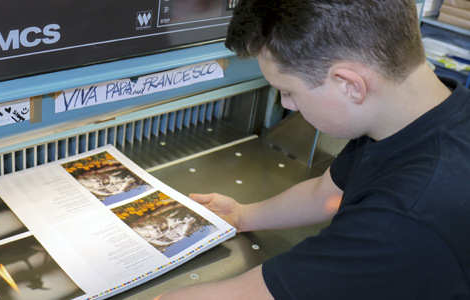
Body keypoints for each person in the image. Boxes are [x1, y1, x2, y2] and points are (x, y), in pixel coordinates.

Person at [156, 0, 470, 299]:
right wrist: (241, 215)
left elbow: (255, 295)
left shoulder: (406, 215)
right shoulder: (412, 118)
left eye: (287, 91)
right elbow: (326, 195)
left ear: (350, 85)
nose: (285, 104)